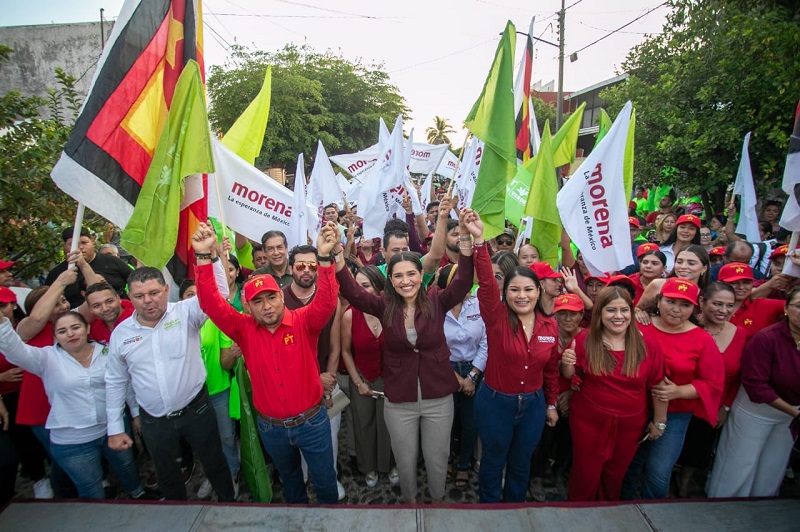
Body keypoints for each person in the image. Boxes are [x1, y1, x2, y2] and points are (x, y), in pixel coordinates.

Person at [334, 211, 476, 504]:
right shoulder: (382, 305)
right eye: (398, 275)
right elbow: (352, 292)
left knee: (437, 459)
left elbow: (462, 281)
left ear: (420, 276)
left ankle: (437, 503)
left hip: (438, 396)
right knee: (406, 459)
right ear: (391, 280)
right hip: (399, 400)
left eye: (411, 273)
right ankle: (410, 502)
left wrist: (465, 239)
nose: (405, 280)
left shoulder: (437, 299)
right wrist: (337, 254)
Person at [194, 221, 340, 504]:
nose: (267, 306)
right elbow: (211, 303)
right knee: (290, 483)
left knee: (325, 483)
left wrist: (324, 258)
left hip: (312, 423)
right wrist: (202, 257)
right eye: (258, 301)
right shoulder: (242, 328)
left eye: (271, 297)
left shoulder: (303, 321)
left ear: (282, 298)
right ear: (247, 306)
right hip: (272, 429)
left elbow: (326, 303)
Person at [105, 250, 235, 502]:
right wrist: (114, 428)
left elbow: (220, 294)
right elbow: (115, 380)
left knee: (215, 462)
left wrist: (212, 256)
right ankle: (176, 516)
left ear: (166, 289)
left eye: (154, 293)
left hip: (197, 410)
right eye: (139, 296)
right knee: (167, 473)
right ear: (129, 297)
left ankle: (229, 505)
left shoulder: (186, 312)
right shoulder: (121, 334)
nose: (148, 301)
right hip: (154, 420)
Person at [0, 311, 152, 500]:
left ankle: (138, 493)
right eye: (62, 331)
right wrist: (1, 322)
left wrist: (136, 413)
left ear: (87, 328)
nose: (70, 334)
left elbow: (124, 384)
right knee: (90, 487)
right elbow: (14, 349)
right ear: (55, 336)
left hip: (113, 428)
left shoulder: (107, 351)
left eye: (75, 327)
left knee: (127, 466)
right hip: (73, 441)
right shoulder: (46, 359)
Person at [471, 211, 559, 503]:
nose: (522, 296)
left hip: (533, 407)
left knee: (521, 465)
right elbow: (485, 281)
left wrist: (550, 405)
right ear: (505, 293)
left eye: (528, 290)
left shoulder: (550, 326)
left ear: (538, 291)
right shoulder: (496, 319)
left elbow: (551, 371)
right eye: (514, 290)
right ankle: (490, 513)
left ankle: (514, 511)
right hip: (496, 404)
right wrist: (480, 240)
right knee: (493, 464)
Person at [561, 287, 667, 501]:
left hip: (630, 426)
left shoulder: (648, 345)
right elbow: (570, 376)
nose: (618, 316)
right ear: (600, 313)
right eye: (611, 310)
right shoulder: (585, 340)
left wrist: (659, 421)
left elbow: (658, 386)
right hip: (588, 422)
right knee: (585, 474)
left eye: (624, 310)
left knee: (615, 475)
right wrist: (567, 363)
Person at [622, 278, 724, 499]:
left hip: (675, 415)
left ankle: (655, 514)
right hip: (633, 408)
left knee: (658, 471)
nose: (676, 310)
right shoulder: (640, 325)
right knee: (627, 465)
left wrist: (678, 391)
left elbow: (712, 382)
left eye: (685, 305)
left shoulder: (702, 339)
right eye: (671, 302)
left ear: (694, 308)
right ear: (659, 301)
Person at [707, 286, 800, 498]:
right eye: (799, 306)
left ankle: (762, 508)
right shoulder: (767, 338)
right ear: (785, 309)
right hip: (756, 411)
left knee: (773, 466)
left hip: (791, 415)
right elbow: (755, 383)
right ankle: (724, 510)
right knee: (739, 463)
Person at [282, 244, 346, 500]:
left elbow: (335, 347)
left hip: (327, 383)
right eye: (300, 265)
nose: (306, 271)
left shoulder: (331, 299)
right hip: (292, 384)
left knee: (329, 439)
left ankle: (328, 478)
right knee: (296, 441)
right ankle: (304, 479)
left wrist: (327, 384)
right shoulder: (279, 300)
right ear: (290, 269)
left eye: (312, 265)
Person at [674, 282, 746, 497]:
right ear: (702, 302)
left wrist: (726, 406)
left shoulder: (740, 334)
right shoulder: (685, 326)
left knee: (699, 450)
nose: (723, 311)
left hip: (712, 405)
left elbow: (738, 377)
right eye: (717, 304)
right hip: (679, 402)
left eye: (729, 305)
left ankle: (684, 484)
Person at [340, 265, 396, 488]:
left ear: (378, 288)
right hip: (361, 376)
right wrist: (358, 382)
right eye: (356, 286)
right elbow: (345, 351)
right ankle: (369, 468)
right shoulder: (349, 316)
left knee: (389, 424)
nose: (360, 291)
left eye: (365, 286)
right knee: (364, 425)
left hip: (390, 377)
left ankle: (391, 464)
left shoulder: (392, 312)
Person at [530, 293, 585, 500]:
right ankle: (536, 476)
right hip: (547, 397)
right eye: (562, 314)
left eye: (573, 314)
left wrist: (571, 393)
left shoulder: (588, 337)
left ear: (581, 315)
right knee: (543, 440)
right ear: (554, 316)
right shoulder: (546, 334)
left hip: (576, 400)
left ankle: (560, 473)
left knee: (568, 440)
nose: (568, 319)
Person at [439, 263, 488, 490]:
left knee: (470, 422)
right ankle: (446, 459)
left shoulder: (479, 305)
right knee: (446, 421)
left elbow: (486, 343)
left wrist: (472, 376)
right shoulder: (437, 308)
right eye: (457, 280)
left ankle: (464, 464)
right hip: (443, 369)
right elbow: (433, 346)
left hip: (474, 368)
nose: (463, 285)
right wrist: (455, 378)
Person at [44, 226, 131, 308]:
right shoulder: (57, 274)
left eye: (84, 243)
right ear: (64, 246)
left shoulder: (112, 261)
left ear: (92, 242)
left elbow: (135, 280)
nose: (80, 247)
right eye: (72, 244)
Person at [718, 263, 784, 338]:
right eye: (734, 283)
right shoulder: (709, 305)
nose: (741, 287)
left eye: (746, 282)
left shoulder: (764, 305)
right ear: (720, 284)